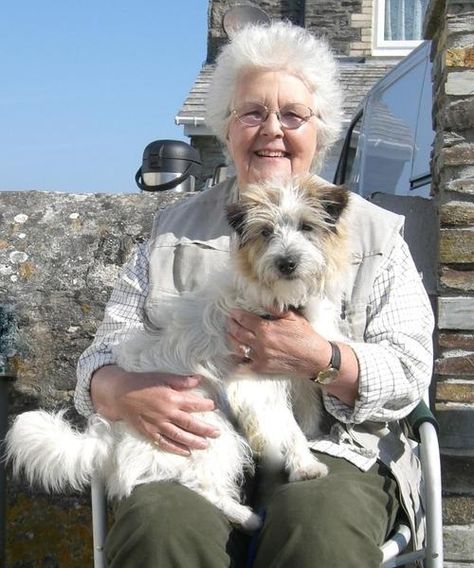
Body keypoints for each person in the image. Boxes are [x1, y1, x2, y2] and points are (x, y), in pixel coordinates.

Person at [75, 22, 434, 568]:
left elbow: (411, 371)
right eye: (252, 113)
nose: (272, 130)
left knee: (317, 527)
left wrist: (324, 358)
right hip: (195, 444)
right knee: (159, 526)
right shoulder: (169, 233)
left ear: (322, 130)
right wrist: (120, 388)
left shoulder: (375, 234)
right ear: (226, 128)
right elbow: (100, 357)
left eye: (292, 115)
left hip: (337, 450)